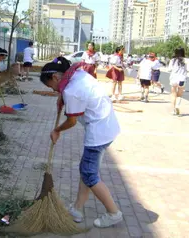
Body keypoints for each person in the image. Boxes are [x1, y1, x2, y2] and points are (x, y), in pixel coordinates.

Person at [40, 57, 123, 228]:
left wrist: (57, 130)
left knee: (89, 175)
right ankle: (77, 209)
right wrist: (62, 96)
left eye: (51, 86)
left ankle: (114, 213)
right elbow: (73, 94)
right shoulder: (77, 75)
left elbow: (71, 121)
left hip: (99, 132)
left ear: (56, 77)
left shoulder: (72, 90)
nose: (54, 90)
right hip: (107, 125)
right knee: (87, 170)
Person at [168, 47, 189, 115]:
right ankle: (177, 105)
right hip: (182, 79)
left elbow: (169, 69)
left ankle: (173, 110)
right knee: (179, 94)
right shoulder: (186, 60)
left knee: (173, 94)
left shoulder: (173, 60)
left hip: (173, 79)